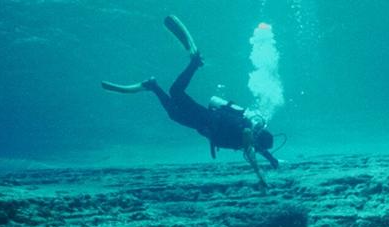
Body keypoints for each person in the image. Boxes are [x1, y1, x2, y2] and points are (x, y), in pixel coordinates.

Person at [103, 15, 279, 187]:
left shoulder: (251, 135)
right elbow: (251, 153)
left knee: (174, 101)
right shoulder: (248, 133)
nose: (256, 146)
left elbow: (256, 149)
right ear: (257, 137)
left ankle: (155, 84)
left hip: (205, 120)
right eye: (258, 144)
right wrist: (261, 177)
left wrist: (271, 159)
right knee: (175, 99)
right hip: (204, 119)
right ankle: (186, 67)